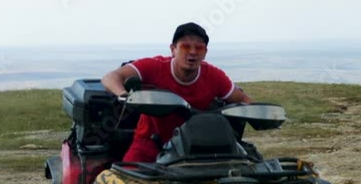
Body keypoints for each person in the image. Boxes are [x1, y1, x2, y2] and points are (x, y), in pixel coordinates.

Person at [101, 22, 252, 163]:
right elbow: (110, 77)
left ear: (205, 52)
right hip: (149, 143)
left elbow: (242, 99)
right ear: (173, 49)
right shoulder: (154, 67)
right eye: (186, 47)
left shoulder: (214, 76)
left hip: (195, 146)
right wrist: (123, 95)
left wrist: (260, 114)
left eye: (198, 48)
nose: (192, 52)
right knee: (124, 183)